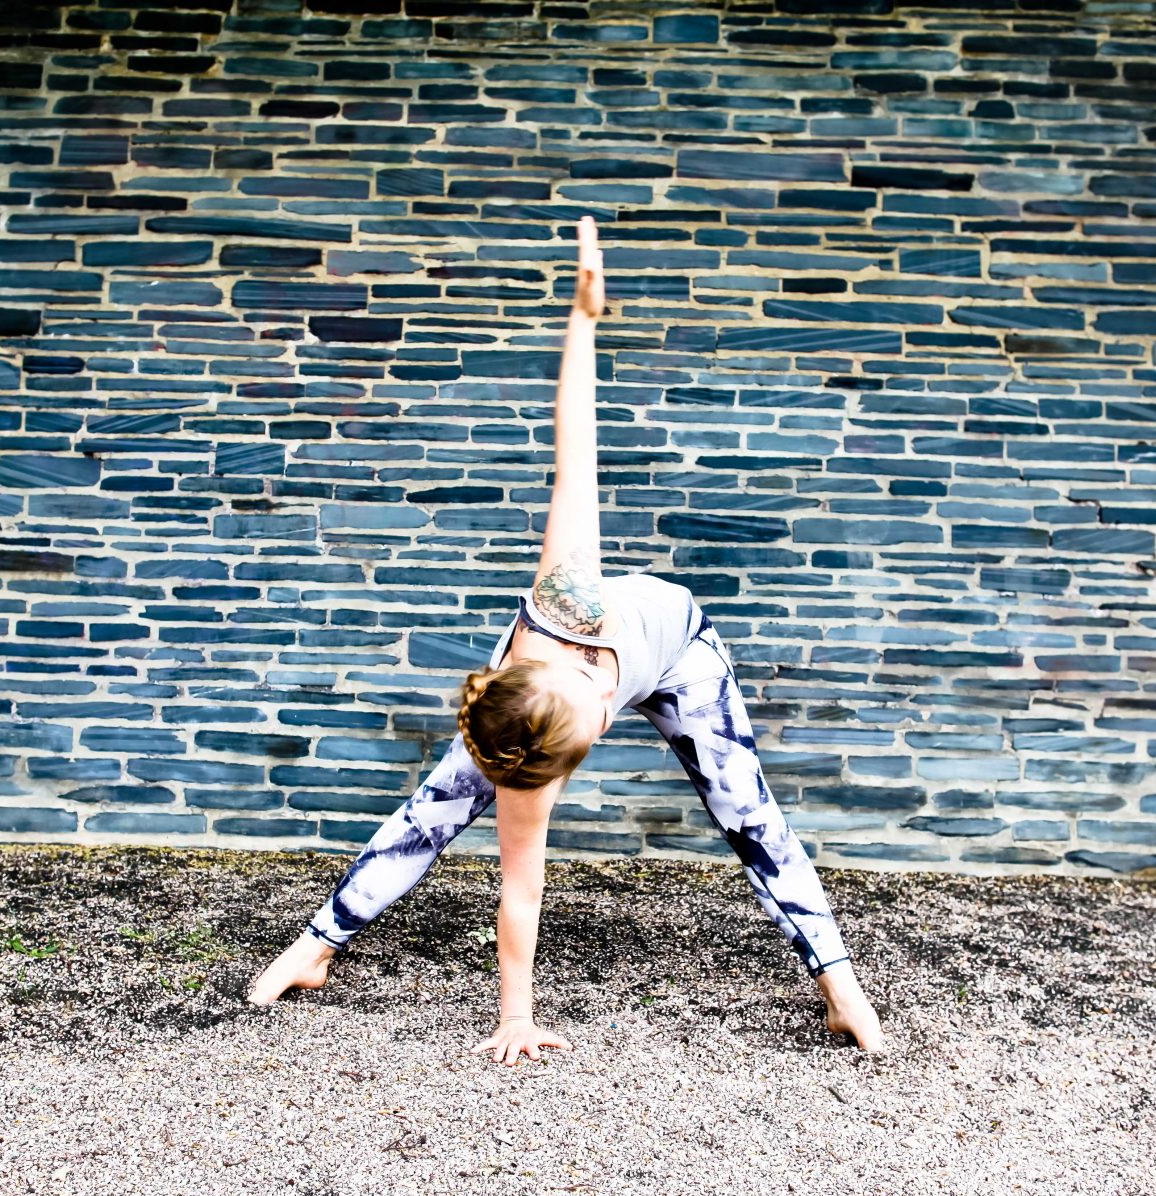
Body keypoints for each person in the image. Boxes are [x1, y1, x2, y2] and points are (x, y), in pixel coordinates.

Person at [247, 217, 885, 1060]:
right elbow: (522, 887)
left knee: (748, 813)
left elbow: (573, 444)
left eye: (596, 720)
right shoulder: (517, 751)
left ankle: (840, 985)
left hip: (681, 649)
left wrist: (582, 319)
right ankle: (315, 948)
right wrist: (516, 1018)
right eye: (593, 743)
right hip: (539, 718)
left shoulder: (567, 597)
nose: (609, 727)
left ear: (581, 677)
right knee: (436, 806)